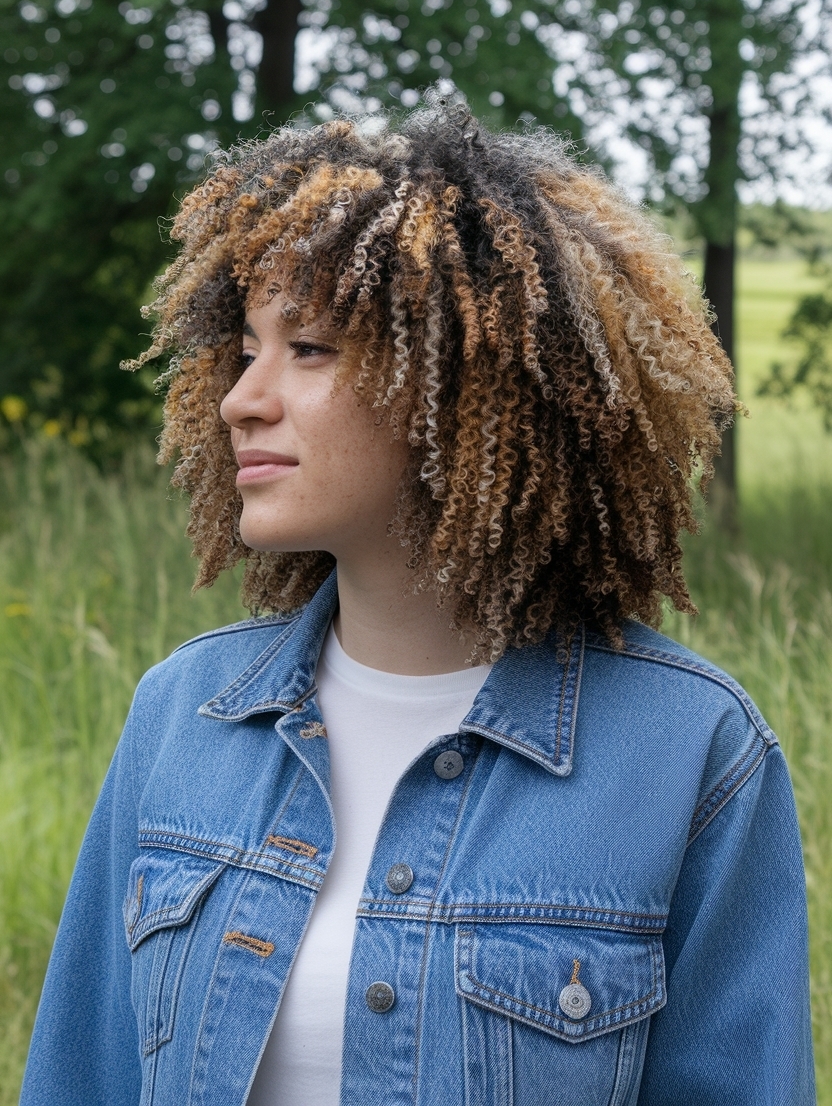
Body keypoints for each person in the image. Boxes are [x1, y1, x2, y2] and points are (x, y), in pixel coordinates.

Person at [21, 99, 814, 1106]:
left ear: (466, 381)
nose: (240, 398)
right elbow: (78, 1080)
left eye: (307, 348)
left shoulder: (691, 752)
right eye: (245, 350)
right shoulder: (182, 716)